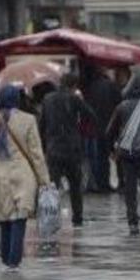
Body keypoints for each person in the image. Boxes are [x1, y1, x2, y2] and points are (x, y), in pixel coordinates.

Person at [0, 85, 50, 270]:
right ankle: (14, 260)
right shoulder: (28, 120)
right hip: (24, 173)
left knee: (4, 216)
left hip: (0, 174)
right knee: (20, 216)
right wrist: (44, 180)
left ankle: (6, 257)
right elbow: (36, 154)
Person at [38, 73, 96, 228]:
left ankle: (51, 219)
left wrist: (44, 146)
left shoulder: (47, 99)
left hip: (54, 149)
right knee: (75, 186)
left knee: (53, 186)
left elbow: (41, 125)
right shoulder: (74, 99)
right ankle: (77, 218)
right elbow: (91, 115)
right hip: (72, 149)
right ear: (74, 86)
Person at [106, 74, 140, 236]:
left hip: (126, 152)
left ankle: (132, 222)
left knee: (130, 187)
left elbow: (109, 132)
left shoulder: (121, 107)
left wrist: (112, 151)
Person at [82, 66, 123, 193]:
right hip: (110, 126)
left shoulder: (89, 88)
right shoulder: (111, 86)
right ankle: (106, 184)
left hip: (95, 128)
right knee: (109, 157)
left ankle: (98, 183)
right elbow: (119, 104)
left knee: (97, 157)